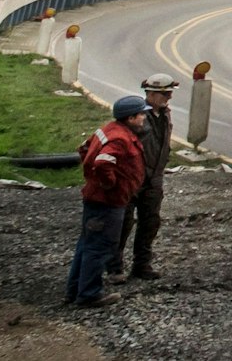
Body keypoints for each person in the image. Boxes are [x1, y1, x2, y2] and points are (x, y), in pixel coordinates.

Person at [66, 95, 148, 307]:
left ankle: (74, 290)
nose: (143, 118)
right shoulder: (120, 139)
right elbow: (103, 163)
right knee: (99, 248)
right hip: (107, 203)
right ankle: (89, 294)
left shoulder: (108, 130)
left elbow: (84, 149)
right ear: (130, 118)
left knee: (86, 245)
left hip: (96, 199)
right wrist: (109, 184)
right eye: (141, 114)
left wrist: (94, 179)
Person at [109, 73, 177, 283]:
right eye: (165, 93)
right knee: (123, 224)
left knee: (150, 222)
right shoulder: (136, 116)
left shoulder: (165, 114)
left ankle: (142, 264)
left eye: (169, 93)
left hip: (154, 179)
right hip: (132, 180)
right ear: (151, 94)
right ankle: (114, 267)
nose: (168, 97)